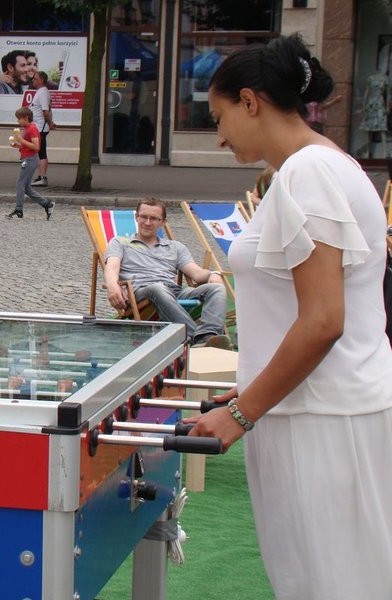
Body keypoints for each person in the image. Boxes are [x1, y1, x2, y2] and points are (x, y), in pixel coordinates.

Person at [192, 34, 392, 599]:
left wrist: (240, 411)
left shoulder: (309, 173)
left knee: (331, 585)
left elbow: (324, 319)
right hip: (314, 409)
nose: (220, 133)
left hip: (321, 418)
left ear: (250, 101)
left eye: (220, 115)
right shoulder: (322, 167)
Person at [103, 197, 229, 347]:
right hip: (141, 292)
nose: (147, 222)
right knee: (158, 288)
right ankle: (192, 337)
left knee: (217, 289)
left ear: (163, 222)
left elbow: (196, 273)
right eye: (144, 216)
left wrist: (214, 274)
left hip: (173, 292)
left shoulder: (175, 247)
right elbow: (112, 266)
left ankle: (207, 335)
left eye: (154, 218)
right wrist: (112, 286)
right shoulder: (120, 242)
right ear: (136, 217)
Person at [5, 107, 55, 220]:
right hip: (28, 158)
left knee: (19, 184)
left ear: (26, 118)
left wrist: (21, 141)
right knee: (26, 188)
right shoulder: (27, 128)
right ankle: (47, 204)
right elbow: (28, 145)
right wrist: (18, 145)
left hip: (30, 160)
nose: (18, 121)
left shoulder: (31, 128)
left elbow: (36, 147)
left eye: (19, 119)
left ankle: (19, 209)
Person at [29, 71, 56, 187]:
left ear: (41, 80)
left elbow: (45, 111)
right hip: (38, 127)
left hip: (41, 127)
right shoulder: (40, 92)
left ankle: (43, 178)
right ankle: (41, 177)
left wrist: (50, 123)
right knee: (40, 152)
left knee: (41, 153)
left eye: (35, 78)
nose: (32, 80)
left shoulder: (43, 93)